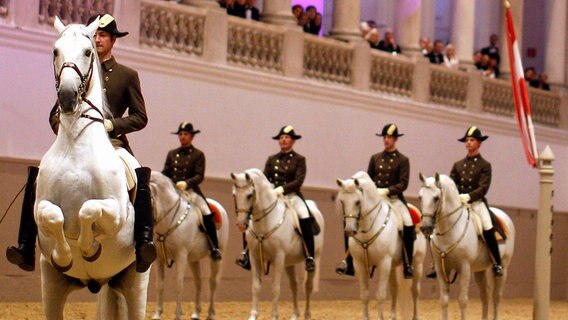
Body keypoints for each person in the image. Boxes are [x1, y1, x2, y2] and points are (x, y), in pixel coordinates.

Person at [5, 13, 156, 273]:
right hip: (73, 141)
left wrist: (112, 125)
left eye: (104, 35)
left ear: (113, 41)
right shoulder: (79, 68)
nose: (98, 39)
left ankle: (143, 243)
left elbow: (140, 117)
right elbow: (55, 113)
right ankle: (26, 246)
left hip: (113, 144)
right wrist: (62, 127)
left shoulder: (126, 75)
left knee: (140, 177)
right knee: (38, 175)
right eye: (96, 35)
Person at [336, 124, 415, 278]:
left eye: (390, 137)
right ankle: (349, 261)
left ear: (396, 139)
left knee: (407, 222)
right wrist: (372, 192)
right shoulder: (375, 158)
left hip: (394, 199)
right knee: (352, 218)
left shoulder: (403, 160)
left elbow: (403, 183)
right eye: (385, 137)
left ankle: (407, 264)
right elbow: (368, 180)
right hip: (375, 200)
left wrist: (388, 190)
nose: (387, 140)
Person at [236, 125, 316, 272]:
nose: (283, 140)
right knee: (252, 216)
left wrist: (283, 189)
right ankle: (246, 253)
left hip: (292, 196)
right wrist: (271, 190)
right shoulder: (272, 159)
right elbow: (265, 178)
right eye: (281, 138)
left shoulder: (299, 159)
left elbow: (299, 180)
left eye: (286, 137)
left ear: (293, 141)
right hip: (273, 196)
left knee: (304, 215)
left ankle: (310, 256)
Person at [162, 122, 222, 261]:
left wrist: (187, 183)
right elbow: (166, 172)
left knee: (206, 213)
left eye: (186, 134)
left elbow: (199, 175)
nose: (182, 137)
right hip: (174, 192)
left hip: (191, 192)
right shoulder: (172, 154)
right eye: (181, 134)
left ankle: (214, 246)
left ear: (191, 137)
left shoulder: (198, 154)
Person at [450, 126, 503, 277]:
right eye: (467, 140)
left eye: (472, 140)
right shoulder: (458, 165)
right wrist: (457, 197)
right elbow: (452, 184)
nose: (468, 143)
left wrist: (469, 196)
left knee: (486, 226)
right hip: (459, 203)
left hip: (476, 203)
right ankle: (437, 263)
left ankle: (497, 262)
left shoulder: (485, 165)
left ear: (479, 143)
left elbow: (483, 188)